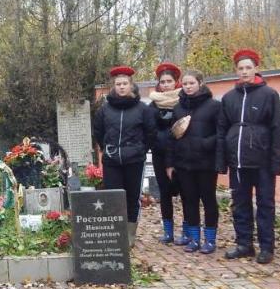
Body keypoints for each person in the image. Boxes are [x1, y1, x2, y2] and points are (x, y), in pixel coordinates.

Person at [216, 49, 280, 264]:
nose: (244, 72)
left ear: (256, 68)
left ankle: (266, 247)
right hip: (237, 161)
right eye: (240, 68)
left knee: (265, 204)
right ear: (236, 70)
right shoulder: (229, 97)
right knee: (240, 203)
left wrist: (277, 161)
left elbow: (277, 129)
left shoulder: (269, 94)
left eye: (248, 67)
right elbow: (221, 130)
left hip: (262, 160)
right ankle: (244, 244)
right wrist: (221, 161)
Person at [92, 66, 156, 247]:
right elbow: (99, 131)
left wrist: (140, 149)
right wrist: (107, 148)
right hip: (112, 160)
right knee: (113, 197)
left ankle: (129, 235)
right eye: (118, 84)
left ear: (131, 85)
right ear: (114, 86)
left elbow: (150, 132)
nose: (121, 87)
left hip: (134, 159)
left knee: (132, 197)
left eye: (125, 84)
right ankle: (116, 233)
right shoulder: (105, 109)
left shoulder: (142, 109)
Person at [166, 69, 221, 253]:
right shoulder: (178, 108)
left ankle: (210, 240)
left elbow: (220, 133)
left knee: (208, 200)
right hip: (184, 163)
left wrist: (205, 143)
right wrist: (170, 163)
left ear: (200, 83)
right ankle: (194, 238)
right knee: (189, 200)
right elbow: (172, 137)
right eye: (185, 84)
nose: (188, 87)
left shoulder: (214, 106)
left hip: (206, 163)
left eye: (192, 83)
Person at [148, 62, 183, 244]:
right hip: (160, 154)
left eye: (169, 81)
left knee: (186, 192)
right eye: (163, 82)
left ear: (176, 81)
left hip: (181, 154)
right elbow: (148, 128)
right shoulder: (153, 104)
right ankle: (168, 231)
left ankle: (188, 231)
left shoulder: (183, 101)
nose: (166, 85)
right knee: (164, 192)